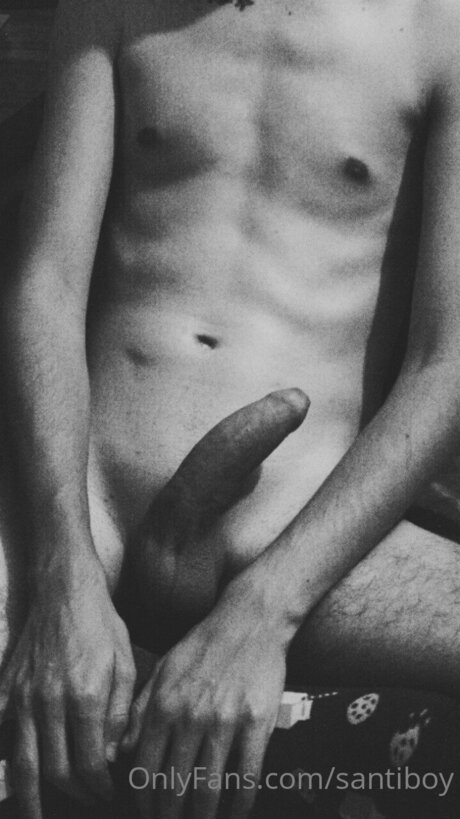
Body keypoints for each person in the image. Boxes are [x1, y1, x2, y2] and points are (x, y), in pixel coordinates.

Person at [1, 0, 460, 816]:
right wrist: (59, 572)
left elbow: (446, 362)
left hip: (302, 526)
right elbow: (47, 284)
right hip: (92, 501)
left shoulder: (441, 27)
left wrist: (264, 612)